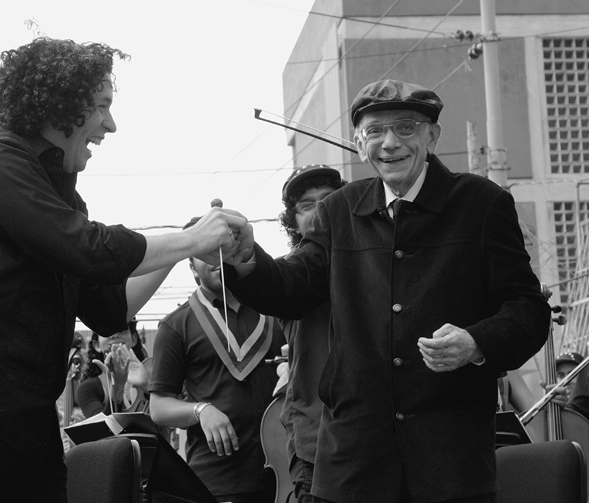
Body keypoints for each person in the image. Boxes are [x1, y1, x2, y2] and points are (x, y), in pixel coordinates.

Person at [0, 37, 252, 503]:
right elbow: (89, 249)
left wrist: (186, 247)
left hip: (30, 429)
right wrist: (191, 238)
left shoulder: (58, 194)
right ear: (60, 103)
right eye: (102, 105)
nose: (111, 123)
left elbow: (108, 308)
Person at [224, 79, 550, 502]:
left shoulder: (481, 204)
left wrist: (475, 342)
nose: (389, 143)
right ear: (360, 145)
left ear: (432, 135)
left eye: (405, 128)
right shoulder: (339, 210)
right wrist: (246, 256)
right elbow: (294, 286)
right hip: (353, 462)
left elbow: (528, 307)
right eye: (375, 132)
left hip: (449, 462)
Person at [148, 216, 285, 503]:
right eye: (205, 251)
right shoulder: (176, 325)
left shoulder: (276, 309)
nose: (216, 257)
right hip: (217, 481)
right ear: (191, 266)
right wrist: (201, 410)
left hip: (286, 474)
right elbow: (159, 408)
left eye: (222, 246)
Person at [275, 164, 346, 503]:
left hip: (376, 437)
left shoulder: (374, 263)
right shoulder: (289, 274)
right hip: (315, 440)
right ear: (293, 221)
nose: (319, 210)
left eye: (328, 200)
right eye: (306, 205)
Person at [76, 319, 150, 417]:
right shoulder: (88, 388)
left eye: (121, 329)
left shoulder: (152, 376)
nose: (114, 335)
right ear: (96, 345)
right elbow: (100, 430)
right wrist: (117, 390)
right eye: (106, 331)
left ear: (134, 339)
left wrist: (147, 387)